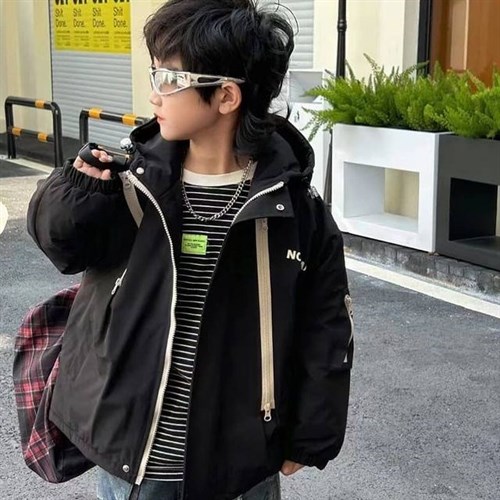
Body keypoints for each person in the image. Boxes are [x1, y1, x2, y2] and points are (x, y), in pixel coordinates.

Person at [27, 1, 353, 499]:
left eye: (169, 78)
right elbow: (61, 246)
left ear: (226, 96)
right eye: (155, 73)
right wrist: (76, 191)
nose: (153, 93)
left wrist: (311, 433)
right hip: (134, 458)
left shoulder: (295, 209)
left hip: (241, 462)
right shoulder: (131, 182)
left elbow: (325, 325)